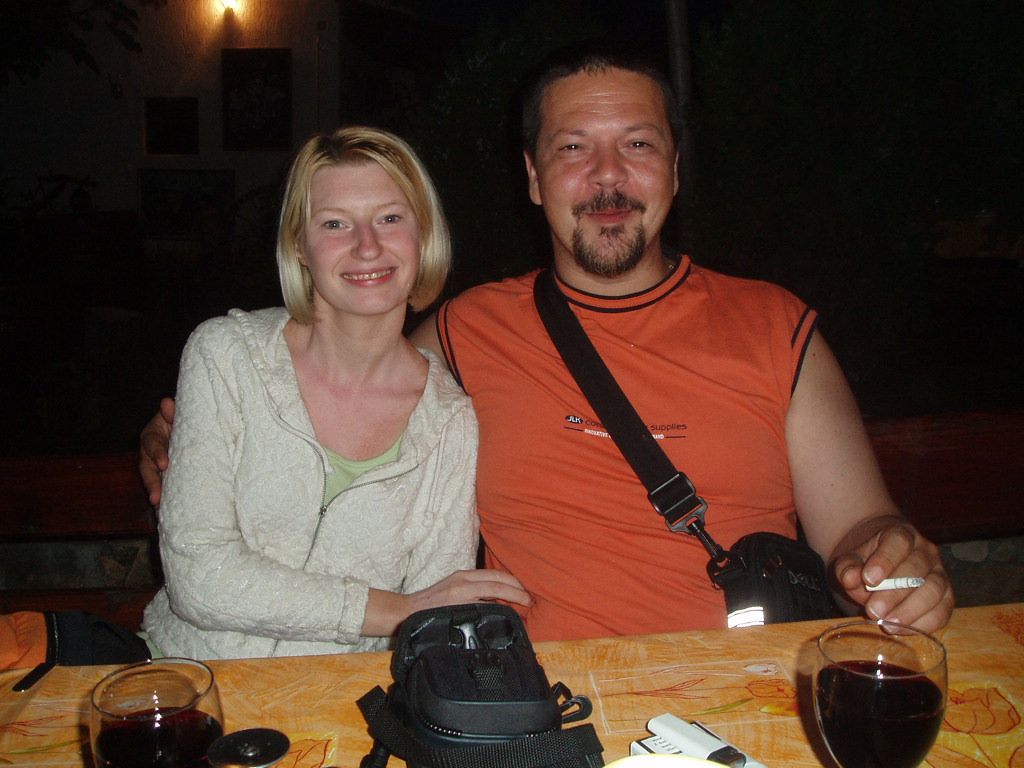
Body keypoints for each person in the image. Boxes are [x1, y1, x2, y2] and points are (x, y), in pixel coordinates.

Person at [141, 43, 953, 642]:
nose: (607, 176)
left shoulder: (776, 325)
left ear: (674, 169)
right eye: (573, 148)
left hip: (743, 683)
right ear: (533, 178)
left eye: (637, 144)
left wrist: (891, 560)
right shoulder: (468, 329)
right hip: (539, 706)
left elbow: (860, 526)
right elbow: (336, 382)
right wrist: (186, 432)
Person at [140, 126, 528, 660]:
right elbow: (198, 577)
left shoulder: (449, 423)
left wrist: (417, 615)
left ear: (423, 236)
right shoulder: (226, 355)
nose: (367, 245)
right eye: (335, 223)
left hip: (339, 697)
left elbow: (431, 626)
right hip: (191, 679)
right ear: (299, 245)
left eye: (390, 218)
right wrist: (395, 610)